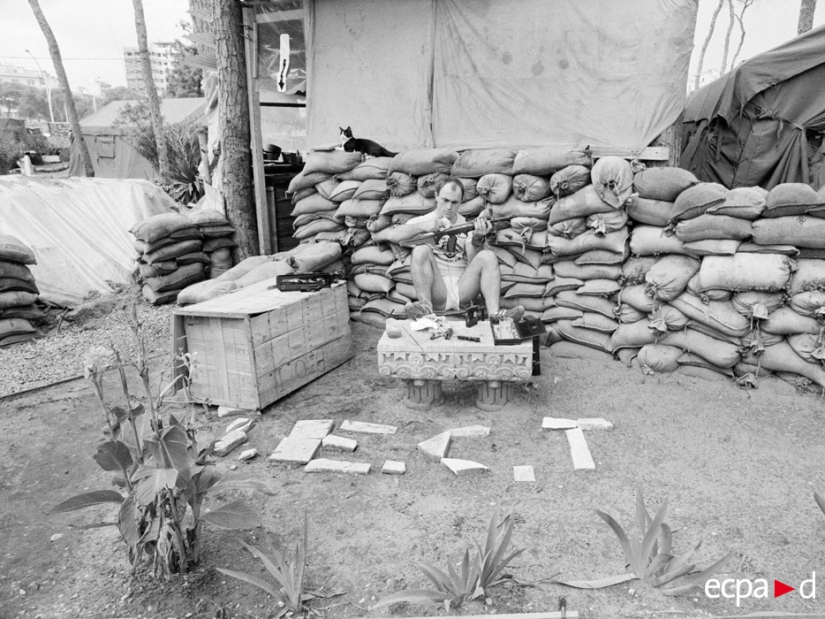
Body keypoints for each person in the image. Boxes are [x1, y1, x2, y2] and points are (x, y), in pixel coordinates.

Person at [403, 178, 524, 322]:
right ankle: (425, 308)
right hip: (437, 290)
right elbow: (393, 235)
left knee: (488, 256)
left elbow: (474, 262)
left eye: (454, 202)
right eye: (445, 200)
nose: (449, 207)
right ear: (436, 196)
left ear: (461, 202)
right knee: (420, 250)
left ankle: (495, 314)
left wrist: (477, 237)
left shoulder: (465, 225)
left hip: (463, 289)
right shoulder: (422, 221)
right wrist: (423, 227)